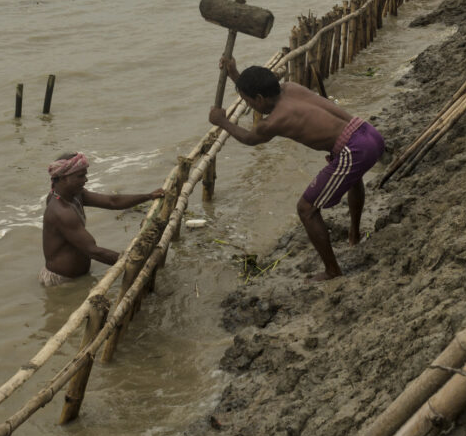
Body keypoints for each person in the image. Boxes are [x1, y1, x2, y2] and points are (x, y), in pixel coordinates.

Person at [208, 59, 385, 281]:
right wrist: (235, 74)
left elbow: (248, 138)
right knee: (353, 177)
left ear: (260, 99)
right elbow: (259, 90)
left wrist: (222, 122)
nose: (249, 106)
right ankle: (354, 234)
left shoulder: (272, 122)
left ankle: (332, 270)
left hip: (355, 149)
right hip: (368, 132)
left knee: (306, 209)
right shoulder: (291, 87)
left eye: (248, 101)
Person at [40, 152, 165, 286]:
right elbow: (93, 251)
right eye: (81, 176)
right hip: (62, 283)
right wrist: (135, 262)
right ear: (64, 178)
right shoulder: (61, 212)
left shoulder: (75, 195)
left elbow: (112, 202)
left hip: (78, 277)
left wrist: (148, 196)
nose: (86, 180)